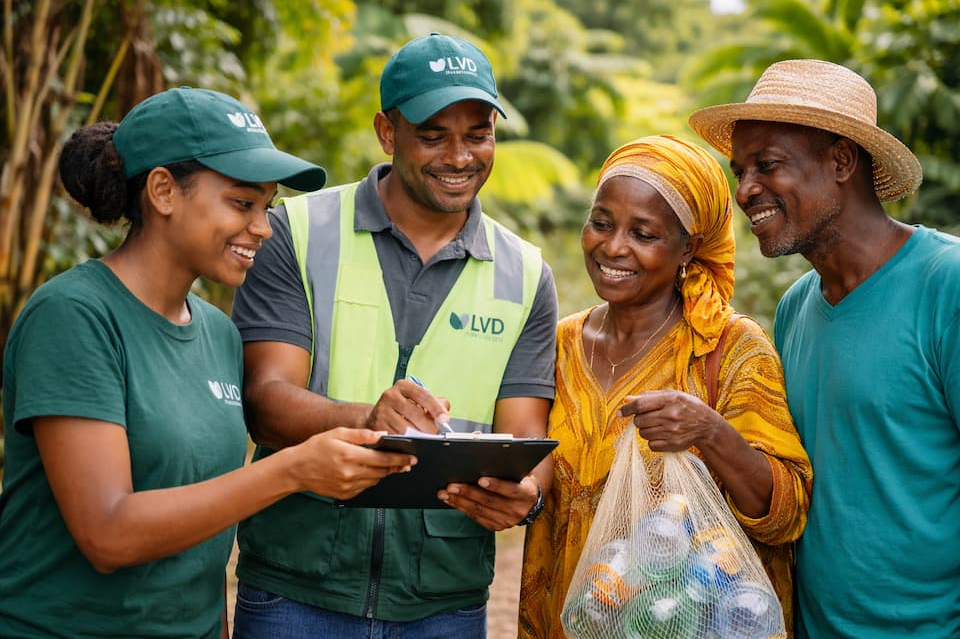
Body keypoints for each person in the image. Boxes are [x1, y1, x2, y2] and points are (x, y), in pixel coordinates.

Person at [0, 87, 418, 639]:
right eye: (242, 204)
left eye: (267, 207)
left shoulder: (219, 334)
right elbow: (108, 534)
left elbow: (206, 537)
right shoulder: (74, 316)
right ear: (163, 191)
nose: (263, 227)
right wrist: (293, 470)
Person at [227, 32, 558, 638]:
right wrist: (367, 420)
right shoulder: (295, 232)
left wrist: (526, 495)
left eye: (478, 134)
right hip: (296, 590)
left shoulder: (526, 274)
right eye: (433, 136)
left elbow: (526, 440)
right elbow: (265, 403)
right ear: (387, 132)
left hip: (444, 603)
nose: (460, 157)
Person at [689, 59, 959, 638]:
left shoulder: (946, 286)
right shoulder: (795, 308)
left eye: (767, 165)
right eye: (740, 171)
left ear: (840, 161)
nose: (746, 190)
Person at [518, 134, 813, 638]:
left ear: (688, 247)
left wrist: (710, 431)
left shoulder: (727, 347)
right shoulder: (560, 345)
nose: (614, 247)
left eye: (643, 233)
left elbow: (786, 513)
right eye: (602, 223)